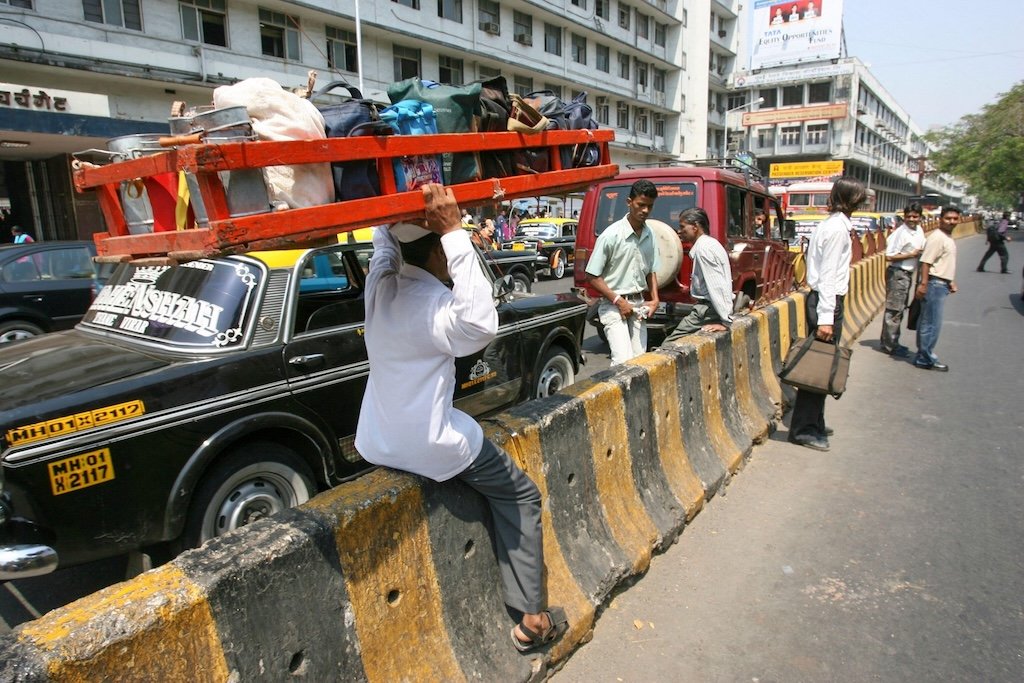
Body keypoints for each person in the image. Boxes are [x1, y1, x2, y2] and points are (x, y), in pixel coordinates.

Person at [355, 184, 567, 653]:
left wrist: (392, 216)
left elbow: (384, 247)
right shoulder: (434, 306)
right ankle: (533, 620)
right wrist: (453, 231)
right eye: (446, 250)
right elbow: (480, 325)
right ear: (439, 253)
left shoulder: (380, 287)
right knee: (521, 495)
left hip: (376, 439)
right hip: (430, 444)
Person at [788, 176, 866, 452]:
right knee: (818, 367)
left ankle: (815, 421)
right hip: (826, 301)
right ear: (853, 200)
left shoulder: (835, 226)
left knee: (823, 363)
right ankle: (804, 429)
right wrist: (826, 319)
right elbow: (829, 277)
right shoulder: (836, 230)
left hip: (826, 300)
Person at [585, 179, 661, 365]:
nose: (645, 210)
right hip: (613, 305)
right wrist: (619, 301)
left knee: (639, 361)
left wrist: (655, 299)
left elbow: (651, 270)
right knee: (622, 362)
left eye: (650, 206)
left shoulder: (650, 234)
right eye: (641, 205)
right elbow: (592, 276)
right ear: (629, 202)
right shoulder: (611, 235)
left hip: (638, 304)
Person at [663, 207, 733, 340]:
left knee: (671, 343)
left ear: (695, 227)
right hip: (708, 309)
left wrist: (725, 321)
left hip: (707, 310)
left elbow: (718, 285)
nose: (679, 231)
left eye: (683, 227)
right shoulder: (710, 244)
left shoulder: (704, 249)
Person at [913, 206, 961, 372]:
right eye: (948, 218)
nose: (951, 222)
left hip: (941, 284)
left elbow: (943, 263)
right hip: (934, 285)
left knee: (929, 322)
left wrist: (950, 281)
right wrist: (924, 284)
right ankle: (925, 358)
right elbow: (926, 262)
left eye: (955, 219)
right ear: (941, 219)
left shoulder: (947, 237)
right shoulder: (938, 237)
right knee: (931, 324)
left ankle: (923, 355)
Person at [879, 203, 926, 356]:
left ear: (920, 217)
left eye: (915, 216)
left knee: (899, 309)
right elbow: (889, 256)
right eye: (908, 216)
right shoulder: (901, 233)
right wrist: (911, 255)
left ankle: (891, 341)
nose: (911, 219)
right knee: (894, 310)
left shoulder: (918, 230)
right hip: (898, 273)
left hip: (907, 274)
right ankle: (890, 345)